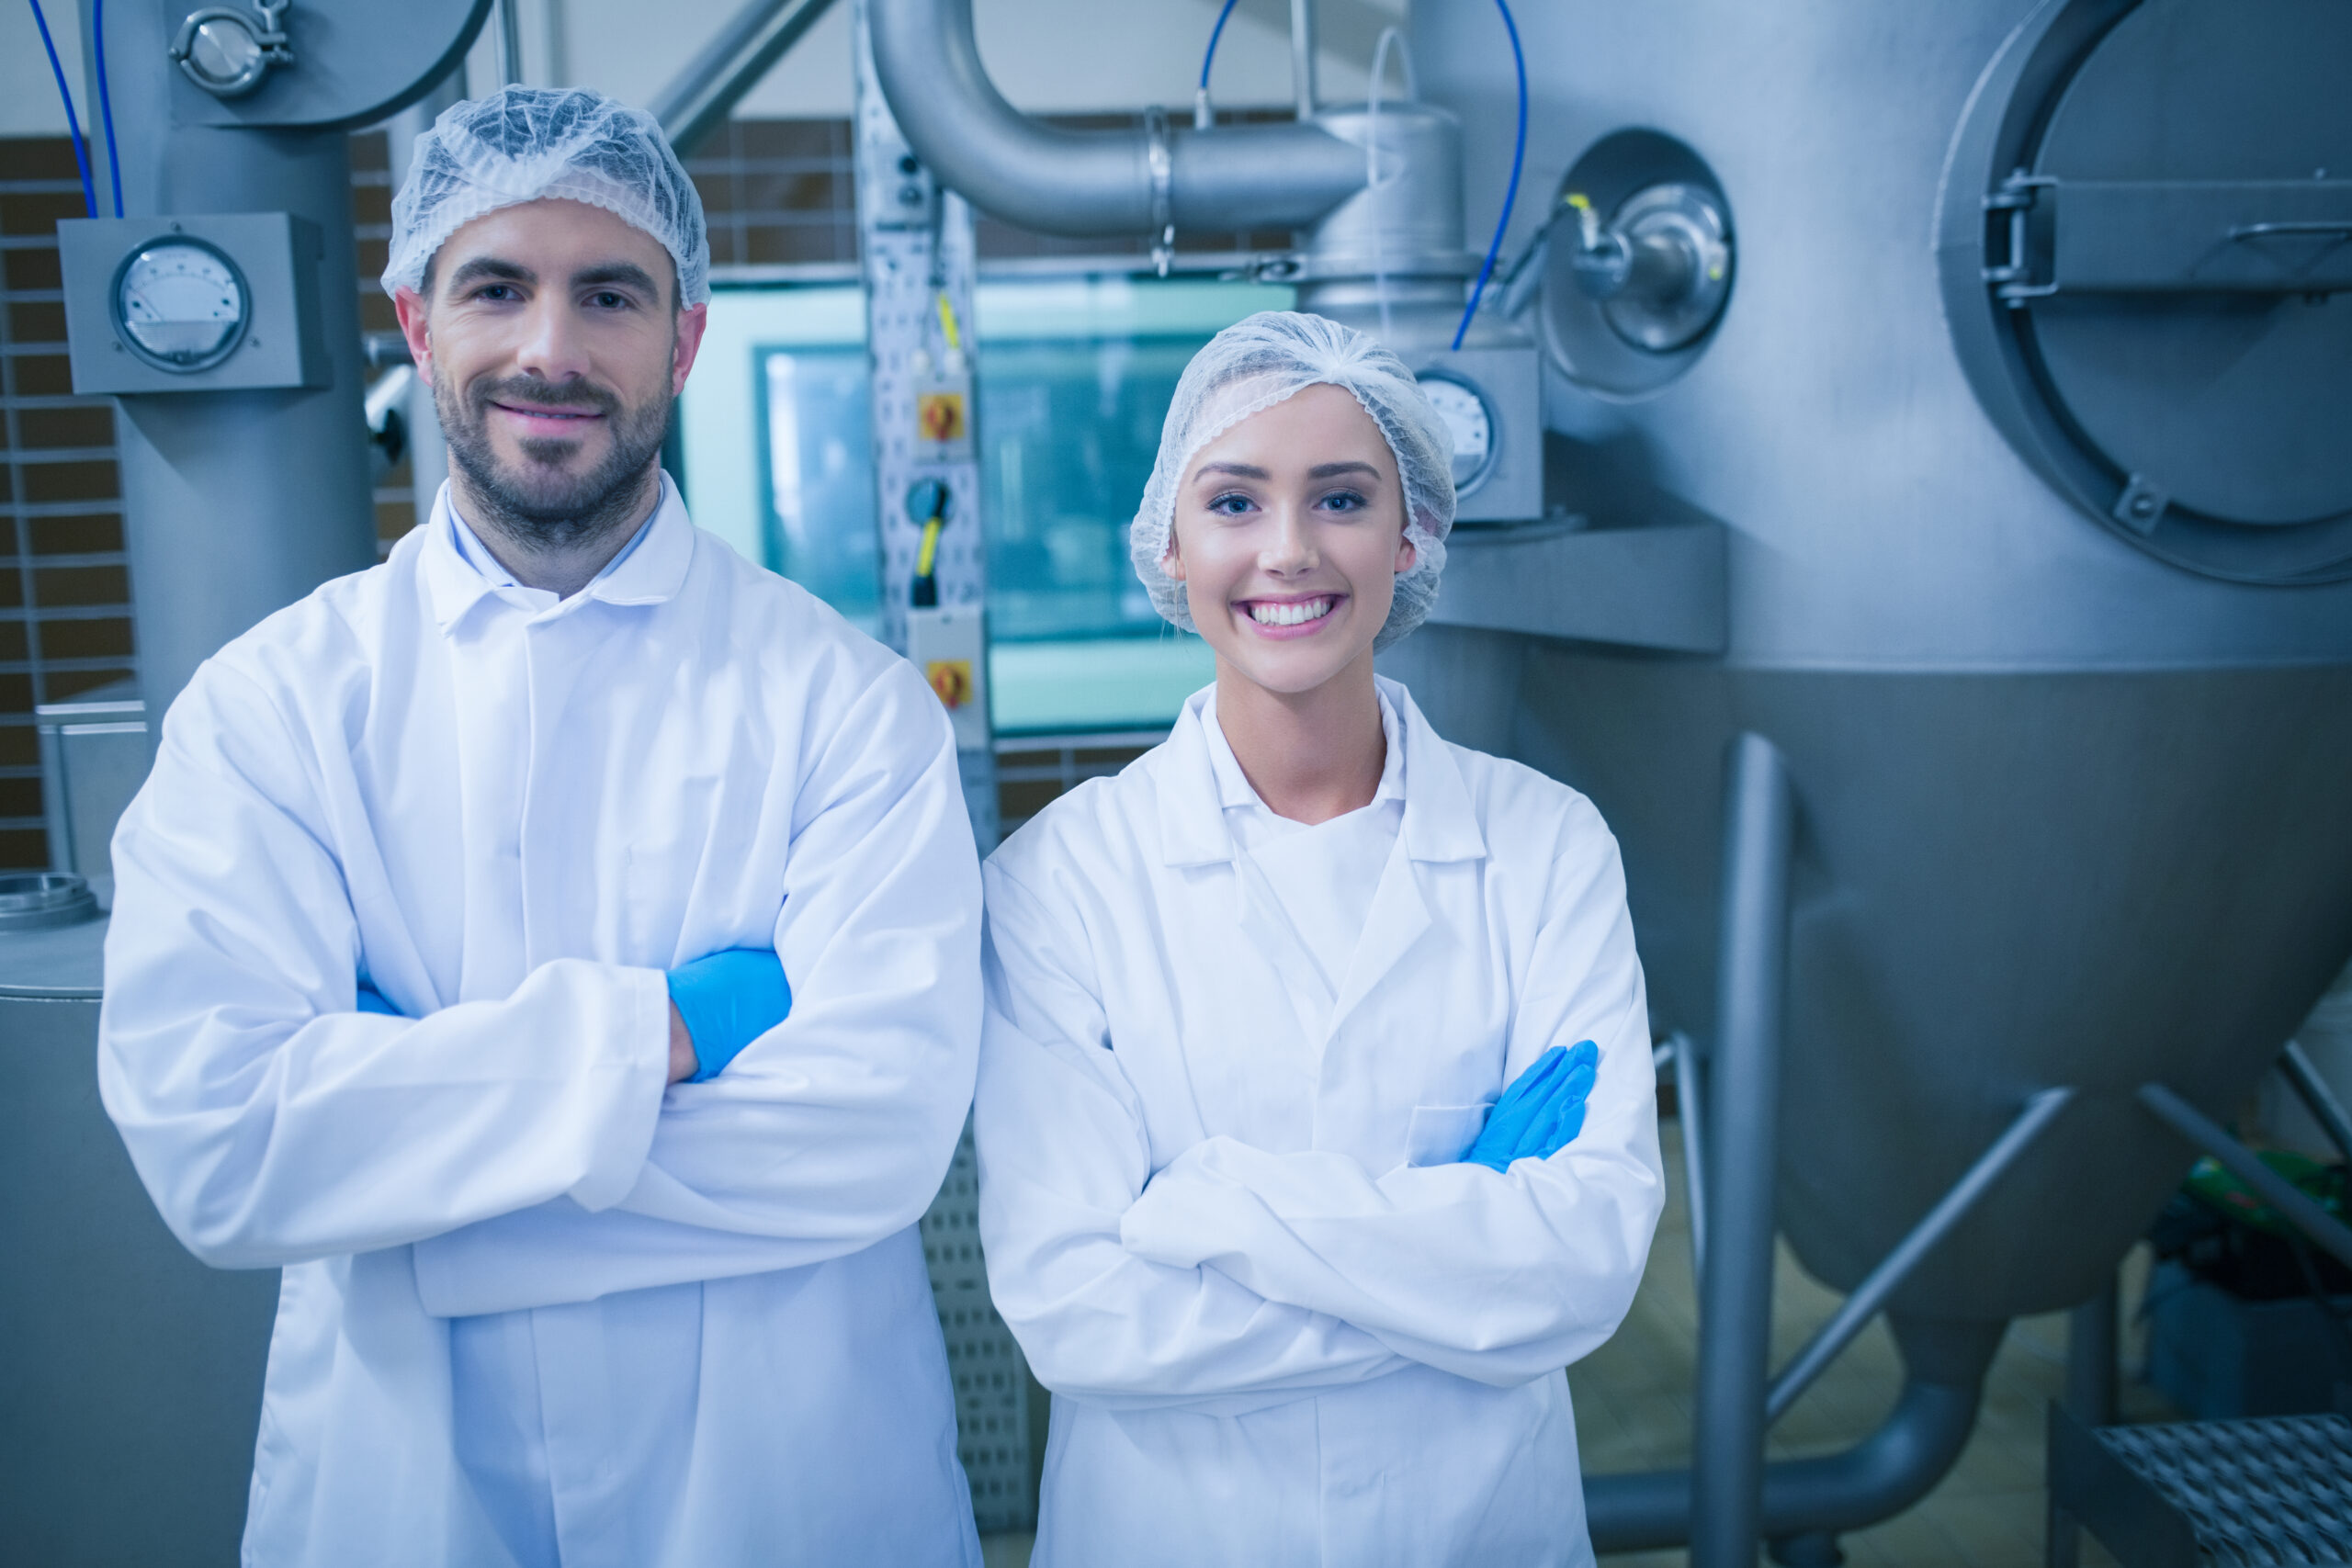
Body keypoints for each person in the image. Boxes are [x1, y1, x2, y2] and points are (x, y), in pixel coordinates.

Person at [98, 87, 983, 1568]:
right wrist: (665, 1036)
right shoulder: (273, 713)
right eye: (497, 287)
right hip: (401, 1500)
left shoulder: (848, 708)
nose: (552, 350)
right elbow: (218, 1141)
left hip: (785, 1497)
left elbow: (876, 1136)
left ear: (685, 338)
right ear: (415, 319)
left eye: (611, 294)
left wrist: (401, 1149)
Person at [973, 311, 1664, 1566]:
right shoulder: (1059, 883)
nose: (1287, 552)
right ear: (1171, 546)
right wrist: (1459, 1275)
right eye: (1234, 503)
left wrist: (1212, 1207)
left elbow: (1589, 1264)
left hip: (1477, 1530)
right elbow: (1079, 1312)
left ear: (1411, 537)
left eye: (1340, 497)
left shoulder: (1546, 848)